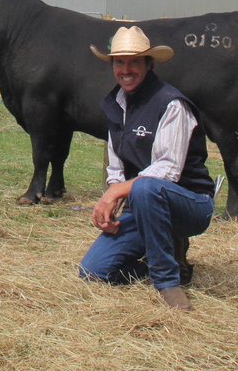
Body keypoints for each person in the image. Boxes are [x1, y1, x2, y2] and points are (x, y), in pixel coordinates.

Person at [78, 26, 215, 311]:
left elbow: (168, 170)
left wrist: (116, 192)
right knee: (93, 271)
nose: (126, 70)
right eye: (119, 62)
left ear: (149, 64)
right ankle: (170, 261)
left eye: (134, 62)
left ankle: (168, 284)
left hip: (190, 204)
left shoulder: (171, 104)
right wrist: (112, 201)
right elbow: (116, 168)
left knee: (146, 188)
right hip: (144, 206)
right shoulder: (114, 104)